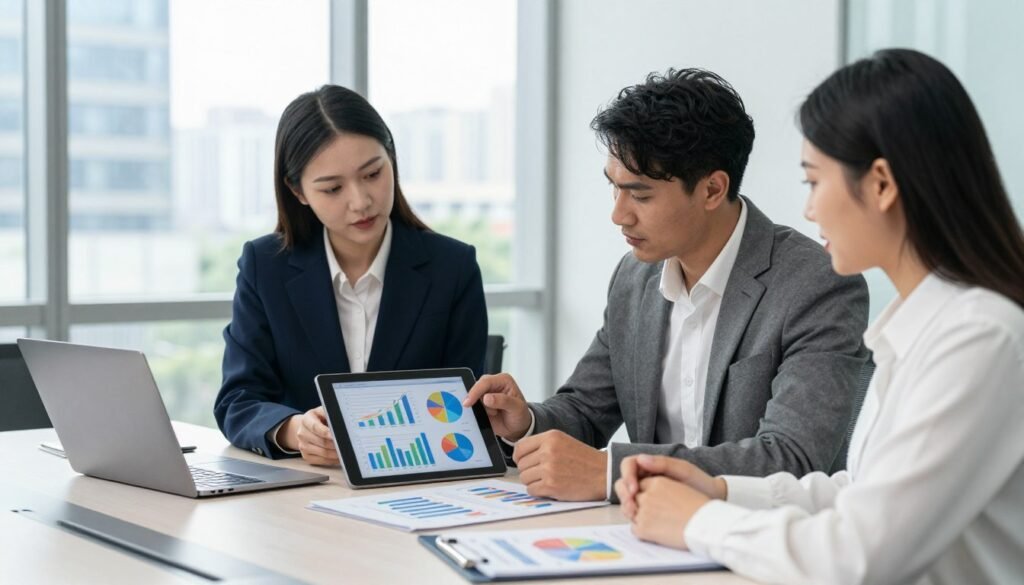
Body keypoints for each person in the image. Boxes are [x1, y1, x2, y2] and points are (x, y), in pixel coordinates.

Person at [616, 48, 1024, 585]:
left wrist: (699, 520)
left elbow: (857, 556)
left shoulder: (980, 337)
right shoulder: (923, 324)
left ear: (880, 183)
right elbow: (859, 492)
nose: (809, 209)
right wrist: (717, 488)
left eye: (814, 181)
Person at [463, 69, 870, 501]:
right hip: (647, 536)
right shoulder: (634, 277)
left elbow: (790, 458)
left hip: (759, 542)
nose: (619, 215)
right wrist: (524, 421)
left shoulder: (816, 284)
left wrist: (612, 471)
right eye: (614, 190)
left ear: (713, 189)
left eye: (640, 196)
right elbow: (585, 409)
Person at [215, 85, 488, 464]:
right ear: (298, 192)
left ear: (391, 159)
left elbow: (463, 407)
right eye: (333, 188)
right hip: (302, 495)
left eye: (373, 174)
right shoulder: (266, 266)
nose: (360, 201)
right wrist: (294, 430)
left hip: (413, 483)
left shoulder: (452, 268)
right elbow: (237, 400)